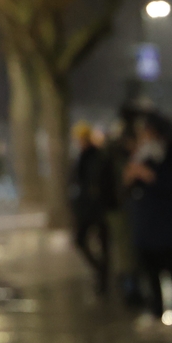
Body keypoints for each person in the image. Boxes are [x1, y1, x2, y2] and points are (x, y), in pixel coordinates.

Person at [123, 112, 172, 326]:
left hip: (169, 222)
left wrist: (147, 174)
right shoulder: (140, 155)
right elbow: (127, 186)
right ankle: (155, 310)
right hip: (146, 222)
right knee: (150, 269)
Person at [70, 123, 113, 296]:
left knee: (103, 244)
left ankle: (103, 277)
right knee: (82, 240)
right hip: (86, 207)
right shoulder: (82, 157)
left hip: (97, 207)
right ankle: (101, 271)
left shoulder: (98, 157)